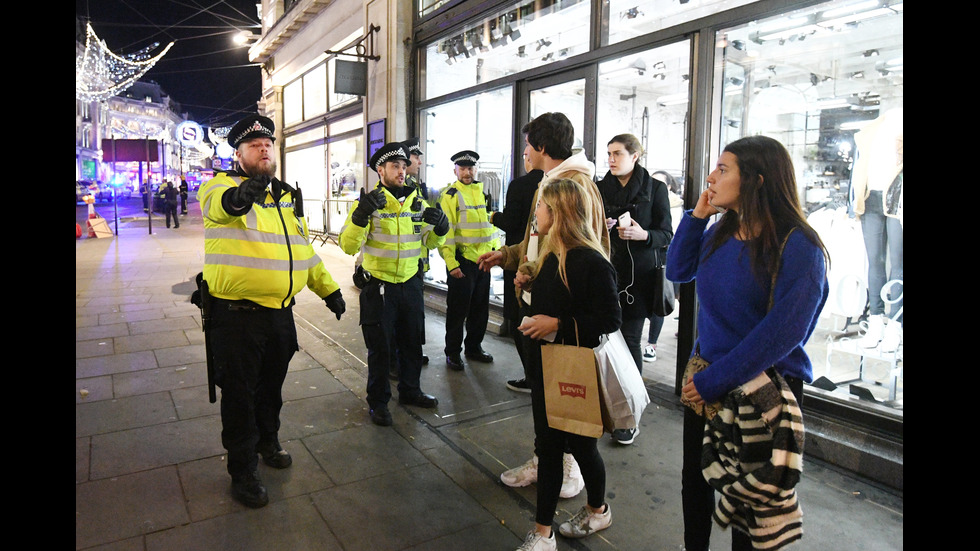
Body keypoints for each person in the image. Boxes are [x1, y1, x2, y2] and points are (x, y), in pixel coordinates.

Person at [667, 135, 829, 551]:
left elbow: (783, 333)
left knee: (750, 500)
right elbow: (678, 269)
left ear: (756, 180)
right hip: (707, 378)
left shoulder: (799, 245)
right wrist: (698, 214)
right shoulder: (723, 230)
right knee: (697, 481)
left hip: (761, 389)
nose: (711, 177)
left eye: (723, 170)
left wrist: (715, 379)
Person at [197, 114, 347, 509]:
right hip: (236, 318)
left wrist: (329, 290)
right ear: (238, 153)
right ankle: (242, 470)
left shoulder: (284, 197)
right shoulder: (219, 187)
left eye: (268, 144)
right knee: (240, 396)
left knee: (271, 390)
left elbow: (302, 253)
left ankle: (267, 441)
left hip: (279, 316)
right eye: (254, 145)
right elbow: (221, 207)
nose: (264, 149)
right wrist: (244, 193)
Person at [478, 112, 607, 499]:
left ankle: (567, 468)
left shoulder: (576, 186)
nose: (524, 152)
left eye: (529, 145)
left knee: (565, 395)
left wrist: (560, 318)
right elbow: (541, 244)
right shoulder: (548, 183)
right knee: (543, 394)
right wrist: (510, 257)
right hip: (538, 310)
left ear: (542, 148)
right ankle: (548, 459)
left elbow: (587, 255)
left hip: (559, 319)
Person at [512, 179, 621, 551]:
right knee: (549, 446)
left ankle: (597, 508)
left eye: (541, 208)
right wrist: (525, 281)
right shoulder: (548, 255)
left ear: (557, 214)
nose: (536, 215)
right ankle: (543, 532)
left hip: (575, 371)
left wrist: (557, 324)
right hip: (546, 367)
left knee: (582, 445)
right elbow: (549, 301)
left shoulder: (590, 260)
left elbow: (610, 319)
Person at [339, 142, 449, 427]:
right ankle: (378, 402)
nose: (402, 171)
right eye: (395, 167)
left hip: (410, 285)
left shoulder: (417, 203)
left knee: (412, 343)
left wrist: (441, 229)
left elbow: (430, 242)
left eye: (403, 166)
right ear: (380, 170)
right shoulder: (369, 204)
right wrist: (359, 216)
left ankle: (411, 390)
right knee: (381, 350)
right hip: (380, 288)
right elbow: (349, 246)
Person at [596, 134, 673, 445]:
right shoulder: (599, 188)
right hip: (603, 276)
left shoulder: (655, 189)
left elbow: (666, 233)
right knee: (599, 344)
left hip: (638, 282)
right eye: (609, 154)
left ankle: (629, 415)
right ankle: (603, 407)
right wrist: (602, 225)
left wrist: (643, 234)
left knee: (629, 342)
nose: (611, 159)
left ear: (635, 156)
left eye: (617, 153)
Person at [438, 150, 499, 371]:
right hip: (462, 262)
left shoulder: (483, 193)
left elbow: (488, 228)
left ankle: (474, 348)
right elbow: (447, 233)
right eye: (462, 168)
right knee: (457, 311)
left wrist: (493, 252)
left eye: (471, 168)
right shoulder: (450, 195)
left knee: (480, 310)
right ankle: (453, 353)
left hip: (483, 261)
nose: (467, 172)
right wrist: (451, 264)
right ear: (455, 170)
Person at [490, 155, 543, 392]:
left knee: (521, 322)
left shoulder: (525, 185)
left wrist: (492, 216)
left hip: (522, 267)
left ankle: (533, 378)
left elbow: (512, 224)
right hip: (520, 258)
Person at [643, 170, 684, 363]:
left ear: (668, 186)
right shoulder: (648, 201)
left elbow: (670, 233)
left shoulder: (676, 205)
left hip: (667, 257)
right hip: (651, 255)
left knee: (660, 300)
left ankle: (652, 344)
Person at [403, 137, 431, 367]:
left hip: (415, 264)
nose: (419, 162)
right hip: (400, 268)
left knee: (415, 316)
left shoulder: (416, 188)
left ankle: (412, 351)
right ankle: (397, 359)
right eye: (415, 157)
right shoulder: (401, 190)